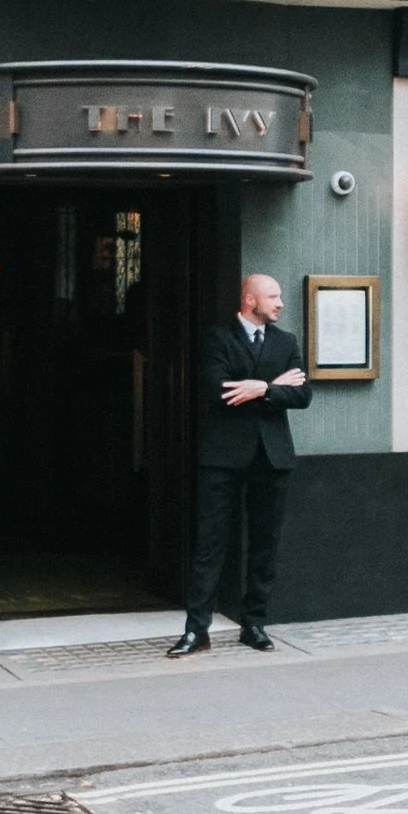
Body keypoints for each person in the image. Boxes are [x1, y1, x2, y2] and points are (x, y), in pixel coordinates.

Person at [169, 272, 311, 657]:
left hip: (273, 456)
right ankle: (197, 630)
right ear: (250, 300)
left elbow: (302, 394)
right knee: (209, 543)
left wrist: (259, 387)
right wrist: (273, 385)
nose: (281, 303)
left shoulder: (286, 342)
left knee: (265, 544)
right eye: (273, 297)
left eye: (280, 296)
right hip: (223, 456)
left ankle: (254, 624)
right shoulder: (219, 337)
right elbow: (219, 391)